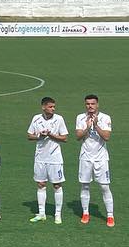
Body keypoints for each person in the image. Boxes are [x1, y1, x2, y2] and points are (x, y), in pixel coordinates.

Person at [27, 97, 68, 224]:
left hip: (55, 158)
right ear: (43, 107)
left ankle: (57, 214)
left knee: (56, 185)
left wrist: (51, 135)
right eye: (50, 107)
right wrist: (40, 135)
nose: (53, 109)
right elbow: (29, 135)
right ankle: (41, 213)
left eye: (54, 107)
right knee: (41, 184)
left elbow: (65, 138)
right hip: (40, 158)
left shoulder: (59, 119)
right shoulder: (36, 118)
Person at [74, 94, 113, 226]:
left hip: (101, 158)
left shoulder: (105, 117)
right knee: (85, 185)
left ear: (97, 105)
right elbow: (78, 136)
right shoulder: (80, 117)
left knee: (104, 186)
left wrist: (95, 126)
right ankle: (85, 213)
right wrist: (86, 127)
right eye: (88, 104)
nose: (90, 106)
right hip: (85, 157)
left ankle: (110, 215)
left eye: (92, 104)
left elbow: (107, 137)